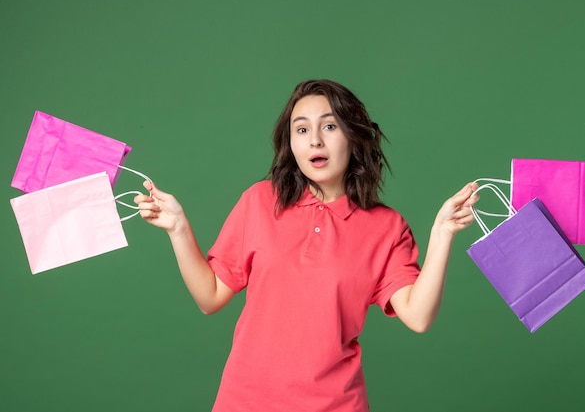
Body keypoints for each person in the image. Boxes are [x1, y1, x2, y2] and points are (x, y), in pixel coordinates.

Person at [134, 79, 479, 411]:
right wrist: (178, 229)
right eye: (301, 129)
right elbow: (210, 297)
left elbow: (418, 317)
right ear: (291, 143)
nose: (315, 140)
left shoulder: (386, 227)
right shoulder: (259, 201)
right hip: (245, 402)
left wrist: (442, 234)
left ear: (354, 136)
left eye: (329, 127)